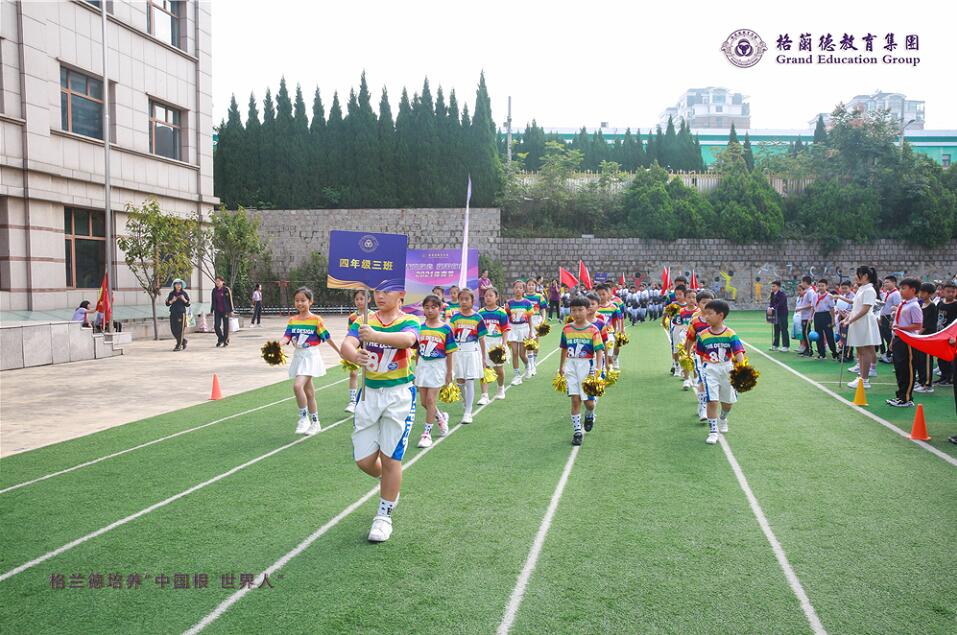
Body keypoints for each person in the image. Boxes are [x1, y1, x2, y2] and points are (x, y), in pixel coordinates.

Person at [340, 287, 419, 543]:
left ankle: (384, 515)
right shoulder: (364, 320)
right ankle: (389, 481)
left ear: (401, 294)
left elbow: (407, 340)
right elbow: (347, 345)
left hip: (398, 395)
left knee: (390, 457)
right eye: (377, 291)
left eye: (387, 291)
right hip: (369, 395)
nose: (380, 296)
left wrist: (375, 336)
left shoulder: (409, 320)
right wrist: (355, 355)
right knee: (364, 461)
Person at [281, 287, 339, 435]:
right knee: (309, 392)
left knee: (297, 386)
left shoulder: (316, 320)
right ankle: (315, 423)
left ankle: (303, 418)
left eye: (303, 300)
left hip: (311, 357)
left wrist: (340, 351)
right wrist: (277, 345)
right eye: (297, 300)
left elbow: (327, 337)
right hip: (298, 356)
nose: (299, 303)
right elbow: (287, 336)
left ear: (310, 301)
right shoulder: (292, 320)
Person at [694, 299, 746, 445]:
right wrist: (702, 370)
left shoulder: (730, 334)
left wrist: (741, 370)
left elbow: (738, 352)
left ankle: (723, 418)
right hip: (710, 369)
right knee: (712, 401)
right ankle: (713, 431)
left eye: (710, 314)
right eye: (705, 314)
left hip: (727, 368)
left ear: (721, 315)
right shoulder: (702, 335)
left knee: (727, 402)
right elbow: (700, 354)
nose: (706, 317)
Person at [559, 296, 605, 446]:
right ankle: (577, 432)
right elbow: (564, 348)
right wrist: (561, 366)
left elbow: (599, 350)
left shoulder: (593, 330)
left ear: (587, 310)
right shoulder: (567, 329)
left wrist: (598, 369)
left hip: (587, 367)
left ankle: (590, 414)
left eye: (580, 310)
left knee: (589, 403)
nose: (577, 313)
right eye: (573, 310)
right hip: (571, 366)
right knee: (575, 399)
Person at [414, 295, 456, 448]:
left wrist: (449, 372)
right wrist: (416, 369)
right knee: (424, 402)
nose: (430, 310)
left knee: (431, 400)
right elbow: (418, 351)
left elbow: (450, 352)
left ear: (439, 309)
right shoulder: (419, 327)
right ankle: (440, 416)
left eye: (433, 307)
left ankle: (427, 434)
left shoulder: (445, 328)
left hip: (438, 366)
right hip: (423, 366)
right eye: (427, 307)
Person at [449, 288, 488, 424]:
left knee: (470, 380)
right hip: (458, 352)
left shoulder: (478, 318)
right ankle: (466, 402)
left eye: (467, 299)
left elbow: (482, 339)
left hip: (472, 352)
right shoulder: (455, 318)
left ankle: (468, 412)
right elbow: (450, 337)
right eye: (461, 299)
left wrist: (483, 357)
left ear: (472, 301)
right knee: (460, 381)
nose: (464, 302)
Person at [886, 278, 924, 408]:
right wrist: (893, 339)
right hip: (899, 339)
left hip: (908, 340)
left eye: (904, 288)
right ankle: (900, 396)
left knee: (907, 369)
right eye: (900, 288)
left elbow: (918, 325)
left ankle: (906, 398)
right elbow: (898, 323)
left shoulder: (914, 306)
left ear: (913, 290)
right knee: (899, 369)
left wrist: (901, 329)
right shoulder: (904, 304)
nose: (901, 291)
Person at [843, 267, 882, 389]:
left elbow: (865, 309)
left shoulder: (869, 290)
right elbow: (856, 307)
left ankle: (864, 380)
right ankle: (861, 377)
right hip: (858, 322)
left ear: (865, 276)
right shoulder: (861, 289)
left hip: (864, 322)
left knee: (865, 351)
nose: (855, 276)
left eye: (857, 274)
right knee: (860, 351)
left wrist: (851, 320)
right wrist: (847, 318)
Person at [685, 290, 715, 422]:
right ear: (698, 304)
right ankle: (703, 406)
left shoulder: (717, 319)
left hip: (714, 356)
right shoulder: (695, 321)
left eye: (710, 303)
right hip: (699, 354)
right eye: (704, 303)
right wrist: (687, 353)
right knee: (702, 379)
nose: (707, 305)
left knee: (711, 381)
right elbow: (690, 338)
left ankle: (707, 403)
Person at [479, 287, 510, 403]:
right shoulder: (480, 313)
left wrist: (504, 344)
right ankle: (484, 395)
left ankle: (501, 389)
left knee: (499, 369)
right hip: (484, 342)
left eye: (490, 295)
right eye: (486, 295)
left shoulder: (501, 312)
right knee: (484, 368)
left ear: (496, 297)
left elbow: (505, 329)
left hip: (497, 343)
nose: (488, 298)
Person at [344, 290, 368, 413]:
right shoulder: (352, 317)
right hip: (356, 348)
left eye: (361, 299)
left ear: (368, 299)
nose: (359, 301)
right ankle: (353, 401)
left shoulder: (373, 315)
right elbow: (349, 333)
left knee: (369, 374)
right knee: (353, 373)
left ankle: (367, 399)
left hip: (370, 348)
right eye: (357, 299)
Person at [506, 280, 534, 384]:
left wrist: (531, 331)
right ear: (513, 289)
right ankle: (517, 375)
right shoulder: (509, 303)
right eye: (516, 287)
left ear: (523, 290)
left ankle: (528, 366)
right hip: (513, 329)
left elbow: (530, 318)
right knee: (514, 352)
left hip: (524, 329)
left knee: (522, 354)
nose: (518, 289)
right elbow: (507, 318)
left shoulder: (527, 303)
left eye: (520, 288)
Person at [914, 282, 939, 394]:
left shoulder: (932, 306)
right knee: (920, 360)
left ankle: (927, 385)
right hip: (920, 338)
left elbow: (926, 325)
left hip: (927, 338)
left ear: (930, 294)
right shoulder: (920, 304)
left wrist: (916, 334)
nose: (921, 294)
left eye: (923, 292)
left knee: (927, 361)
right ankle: (921, 381)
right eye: (920, 292)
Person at [935, 282, 957, 387]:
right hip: (940, 333)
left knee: (949, 357)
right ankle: (943, 376)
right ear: (943, 291)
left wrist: (954, 336)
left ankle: (950, 377)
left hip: (951, 335)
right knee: (940, 357)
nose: (951, 294)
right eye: (948, 291)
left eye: (953, 292)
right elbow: (937, 318)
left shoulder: (955, 304)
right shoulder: (940, 303)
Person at [813, 279, 839, 360]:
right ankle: (821, 353)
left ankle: (834, 353)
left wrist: (833, 320)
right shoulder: (815, 296)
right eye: (819, 286)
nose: (820, 287)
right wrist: (811, 317)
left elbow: (832, 309)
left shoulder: (829, 296)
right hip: (817, 316)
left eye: (822, 286)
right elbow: (813, 307)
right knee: (818, 335)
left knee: (829, 335)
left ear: (826, 286)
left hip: (826, 315)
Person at [525, 283, 546, 375]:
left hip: (537, 320)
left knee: (536, 343)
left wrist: (543, 320)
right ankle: (531, 365)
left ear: (535, 286)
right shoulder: (523, 296)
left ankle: (534, 360)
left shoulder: (539, 296)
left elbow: (543, 309)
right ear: (526, 286)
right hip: (526, 321)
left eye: (532, 285)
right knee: (529, 342)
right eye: (529, 285)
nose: (531, 286)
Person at [878, 276, 901, 362]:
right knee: (884, 335)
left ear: (894, 283)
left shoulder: (896, 294)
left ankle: (891, 355)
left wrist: (892, 320)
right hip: (884, 317)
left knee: (889, 337)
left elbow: (896, 307)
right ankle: (888, 354)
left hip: (890, 317)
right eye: (884, 282)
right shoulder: (887, 293)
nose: (885, 284)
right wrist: (880, 317)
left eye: (887, 282)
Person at [165, 278, 191, 351]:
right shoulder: (171, 294)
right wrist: (172, 300)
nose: (178, 286)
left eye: (180, 284)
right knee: (173, 330)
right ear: (174, 285)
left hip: (181, 313)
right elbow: (167, 303)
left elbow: (188, 304)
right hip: (173, 313)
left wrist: (183, 299)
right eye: (177, 284)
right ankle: (183, 341)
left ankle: (178, 345)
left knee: (180, 330)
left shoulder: (184, 293)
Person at [795, 276, 817, 357]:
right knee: (804, 333)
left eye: (802, 282)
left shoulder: (810, 292)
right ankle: (806, 348)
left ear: (805, 282)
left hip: (807, 316)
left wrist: (801, 308)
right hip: (804, 315)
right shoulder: (806, 291)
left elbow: (812, 305)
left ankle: (809, 350)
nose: (801, 284)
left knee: (807, 333)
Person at [211, 275, 234, 347]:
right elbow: (213, 301)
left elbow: (230, 300)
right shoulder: (214, 290)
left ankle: (225, 340)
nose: (217, 282)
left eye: (219, 281)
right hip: (217, 311)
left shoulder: (226, 290)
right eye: (216, 281)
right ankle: (221, 338)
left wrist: (231, 310)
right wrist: (211, 311)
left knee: (226, 327)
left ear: (222, 282)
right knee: (216, 326)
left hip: (225, 311)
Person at [767, 280, 790, 352]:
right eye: (772, 286)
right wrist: (770, 307)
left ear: (778, 287)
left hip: (783, 313)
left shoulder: (782, 295)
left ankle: (786, 346)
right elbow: (771, 303)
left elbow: (781, 304)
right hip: (776, 314)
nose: (772, 288)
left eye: (774, 286)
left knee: (783, 329)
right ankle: (775, 345)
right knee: (776, 329)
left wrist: (773, 308)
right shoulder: (772, 294)